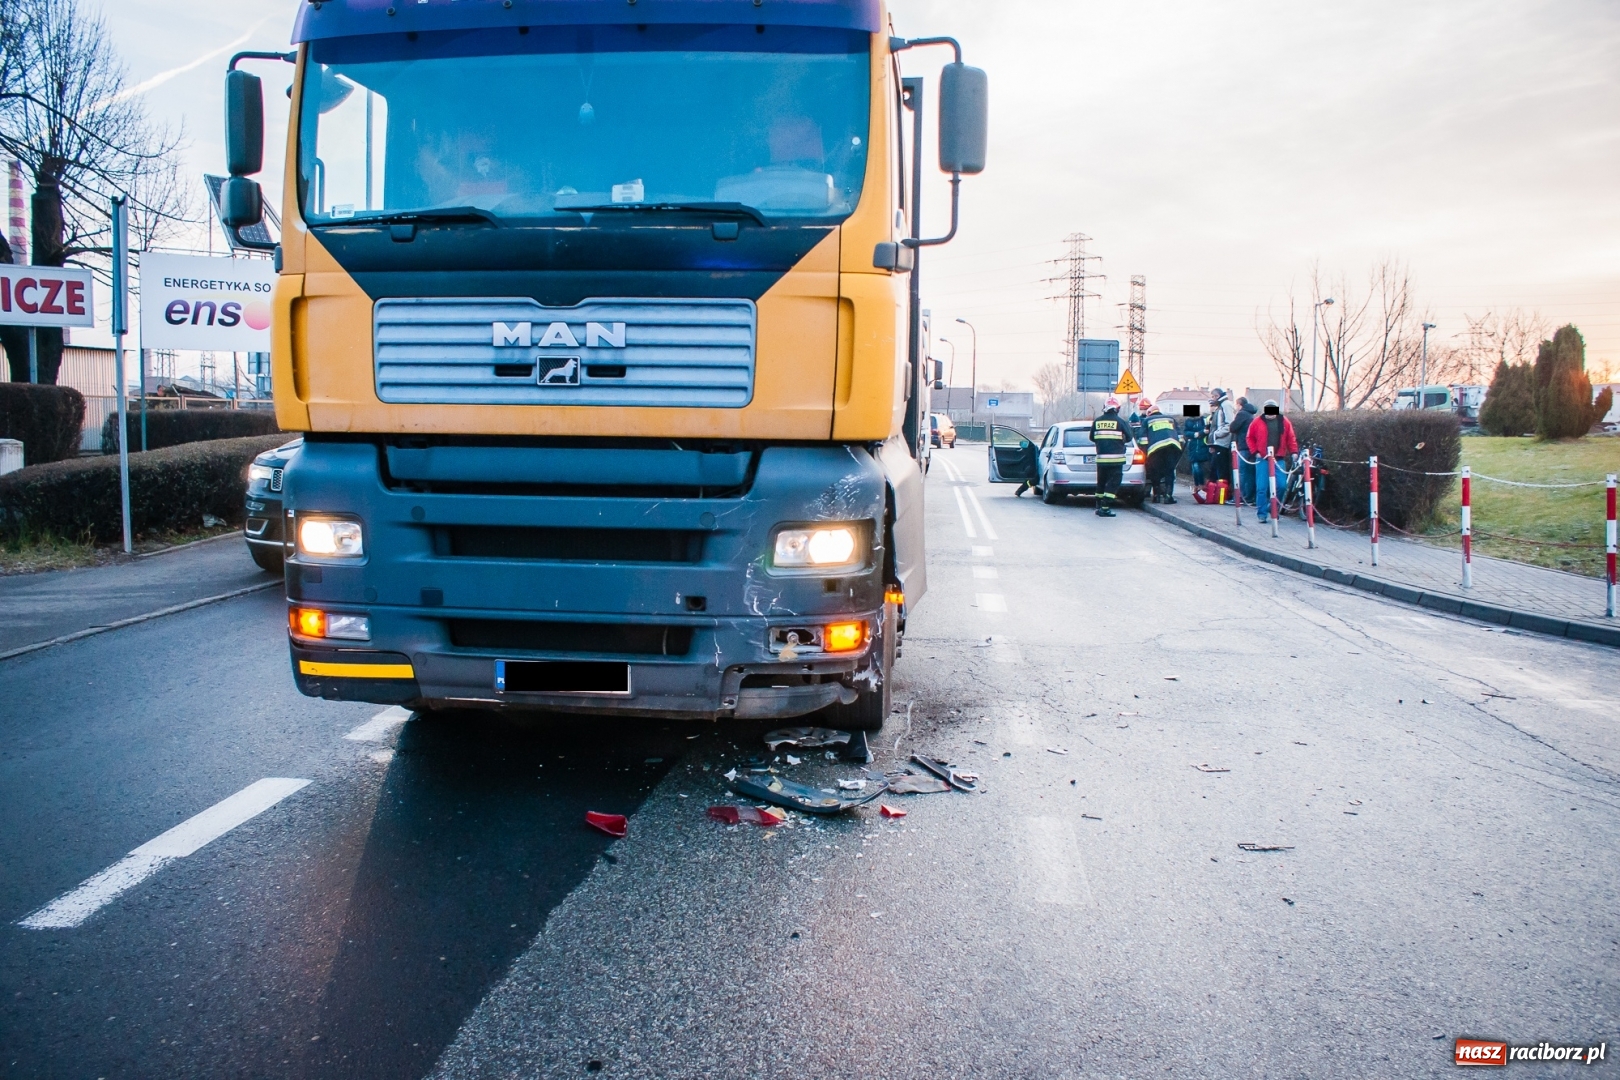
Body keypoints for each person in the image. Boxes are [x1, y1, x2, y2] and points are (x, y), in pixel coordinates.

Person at [1245, 398, 1298, 523]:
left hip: (1278, 458)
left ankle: (1273, 508)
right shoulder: (1257, 421)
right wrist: (1255, 452)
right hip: (1262, 458)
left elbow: (1291, 438)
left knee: (1282, 486)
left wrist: (1294, 452)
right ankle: (1261, 513)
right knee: (1262, 487)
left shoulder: (1284, 421)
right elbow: (1250, 437)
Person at [1089, 397, 1135, 517]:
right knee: (1113, 483)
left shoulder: (1097, 421)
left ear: (1104, 408)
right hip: (1116, 460)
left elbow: (1092, 437)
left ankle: (1098, 506)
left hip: (1101, 460)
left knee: (1101, 482)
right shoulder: (1120, 422)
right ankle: (1105, 508)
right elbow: (1129, 437)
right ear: (1117, 409)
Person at [1139, 401, 1183, 503]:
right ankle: (1168, 497)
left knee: (1155, 472)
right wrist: (1179, 449)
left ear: (1149, 413)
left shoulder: (1147, 420)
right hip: (1172, 447)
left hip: (1155, 450)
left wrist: (1145, 452)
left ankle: (1156, 496)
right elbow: (1180, 436)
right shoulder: (1170, 419)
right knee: (1169, 472)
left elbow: (1142, 439)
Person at [1207, 389, 1236, 496]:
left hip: (1223, 442)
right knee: (1215, 469)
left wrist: (1217, 435)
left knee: (1222, 470)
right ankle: (1216, 494)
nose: (1212, 399)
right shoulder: (1220, 406)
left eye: (1213, 396)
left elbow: (1229, 424)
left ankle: (1224, 495)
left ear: (1218, 395)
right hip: (1217, 442)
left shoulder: (1226, 405)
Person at [1229, 396, 1257, 505]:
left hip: (1243, 445)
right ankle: (1249, 496)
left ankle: (1241, 497)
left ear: (1240, 405)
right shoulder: (1251, 414)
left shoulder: (1242, 414)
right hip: (1250, 447)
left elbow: (1233, 428)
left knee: (1242, 473)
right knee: (1249, 473)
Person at [1182, 408, 1209, 490]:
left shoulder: (1204, 420)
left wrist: (1199, 434)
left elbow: (1206, 431)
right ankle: (1198, 484)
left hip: (1202, 446)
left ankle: (1200, 484)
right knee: (1195, 467)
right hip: (1193, 446)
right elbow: (1186, 432)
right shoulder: (1188, 421)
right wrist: (1196, 434)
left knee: (1198, 467)